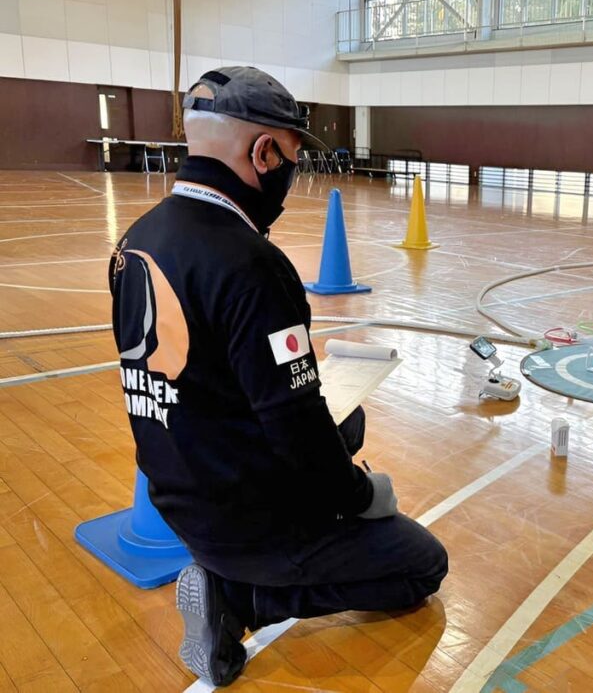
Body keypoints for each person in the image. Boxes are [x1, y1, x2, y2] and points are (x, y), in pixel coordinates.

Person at [109, 67, 447, 686]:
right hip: (243, 516)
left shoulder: (136, 239)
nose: (293, 174)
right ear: (263, 152)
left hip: (177, 491)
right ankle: (240, 601)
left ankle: (232, 574)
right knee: (422, 564)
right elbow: (293, 431)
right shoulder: (253, 264)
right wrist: (358, 495)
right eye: (291, 156)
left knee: (347, 421)